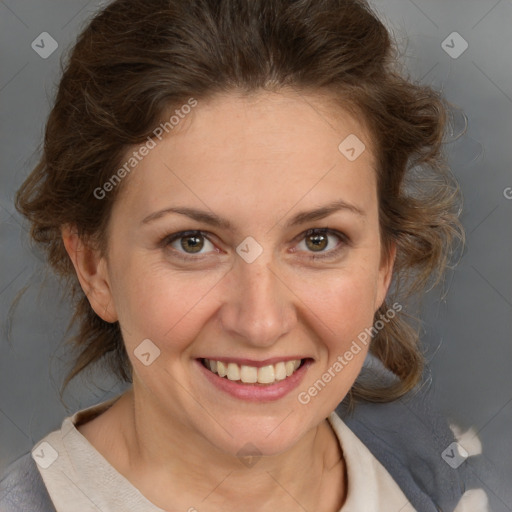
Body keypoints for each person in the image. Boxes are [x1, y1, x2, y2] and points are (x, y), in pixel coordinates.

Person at [0, 0, 472, 510]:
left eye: (318, 239)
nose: (261, 323)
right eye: (192, 242)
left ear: (384, 265)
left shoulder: (436, 461)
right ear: (95, 268)